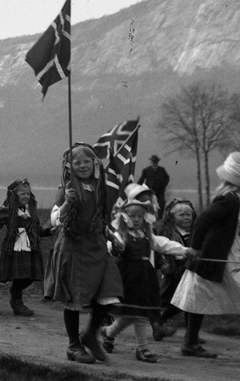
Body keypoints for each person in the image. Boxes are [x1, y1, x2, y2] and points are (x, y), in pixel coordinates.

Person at [171, 152, 240, 361]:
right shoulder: (230, 201)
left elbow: (226, 228)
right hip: (220, 257)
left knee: (200, 296)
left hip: (225, 253)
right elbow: (203, 220)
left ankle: (190, 343)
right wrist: (194, 248)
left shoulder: (236, 201)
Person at [45, 142, 124, 364]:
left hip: (97, 249)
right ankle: (73, 345)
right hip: (73, 250)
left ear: (95, 164)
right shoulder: (67, 189)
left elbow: (101, 220)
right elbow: (55, 220)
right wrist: (67, 204)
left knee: (110, 292)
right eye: (76, 162)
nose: (82, 166)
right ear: (69, 167)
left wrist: (113, 237)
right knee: (74, 299)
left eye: (86, 161)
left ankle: (90, 335)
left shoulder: (100, 189)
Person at [101, 184, 188, 363]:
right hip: (126, 278)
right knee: (135, 314)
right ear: (124, 218)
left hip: (144, 278)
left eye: (140, 216)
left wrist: (185, 250)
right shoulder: (121, 235)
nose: (137, 219)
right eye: (132, 216)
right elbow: (112, 248)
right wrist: (115, 247)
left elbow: (164, 244)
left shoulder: (147, 235)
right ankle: (141, 348)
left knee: (138, 314)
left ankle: (110, 333)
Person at [0, 179, 51, 316]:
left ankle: (15, 293)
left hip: (30, 247)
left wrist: (48, 231)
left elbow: (36, 230)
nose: (26, 196)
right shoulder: (8, 210)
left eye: (28, 194)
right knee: (19, 275)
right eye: (22, 194)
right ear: (14, 195)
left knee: (31, 276)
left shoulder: (31, 211)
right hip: (15, 247)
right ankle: (17, 302)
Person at [152, 197, 196, 339]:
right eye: (181, 215)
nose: (186, 218)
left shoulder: (194, 233)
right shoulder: (169, 234)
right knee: (172, 302)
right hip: (174, 274)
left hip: (190, 272)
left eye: (189, 214)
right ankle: (158, 321)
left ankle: (191, 333)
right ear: (172, 217)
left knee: (191, 302)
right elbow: (165, 253)